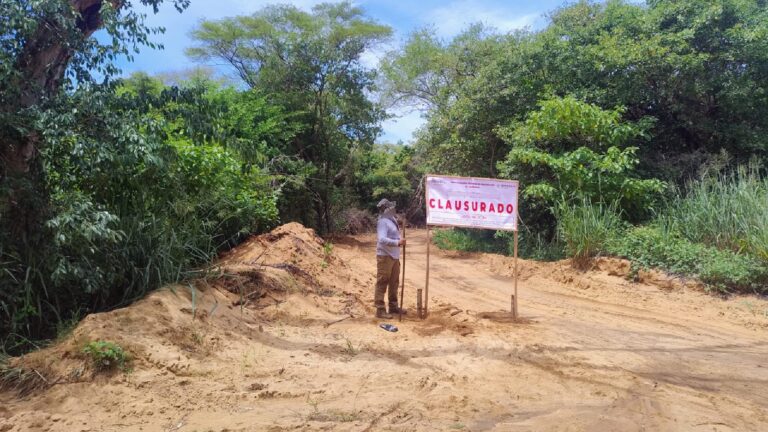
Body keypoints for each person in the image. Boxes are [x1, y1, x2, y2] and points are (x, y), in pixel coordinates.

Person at [375, 198, 407, 319]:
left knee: (394, 282)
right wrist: (397, 242)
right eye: (390, 207)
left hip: (394, 256)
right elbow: (381, 239)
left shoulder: (392, 219)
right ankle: (380, 310)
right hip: (385, 256)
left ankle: (393, 306)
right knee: (382, 282)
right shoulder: (383, 222)